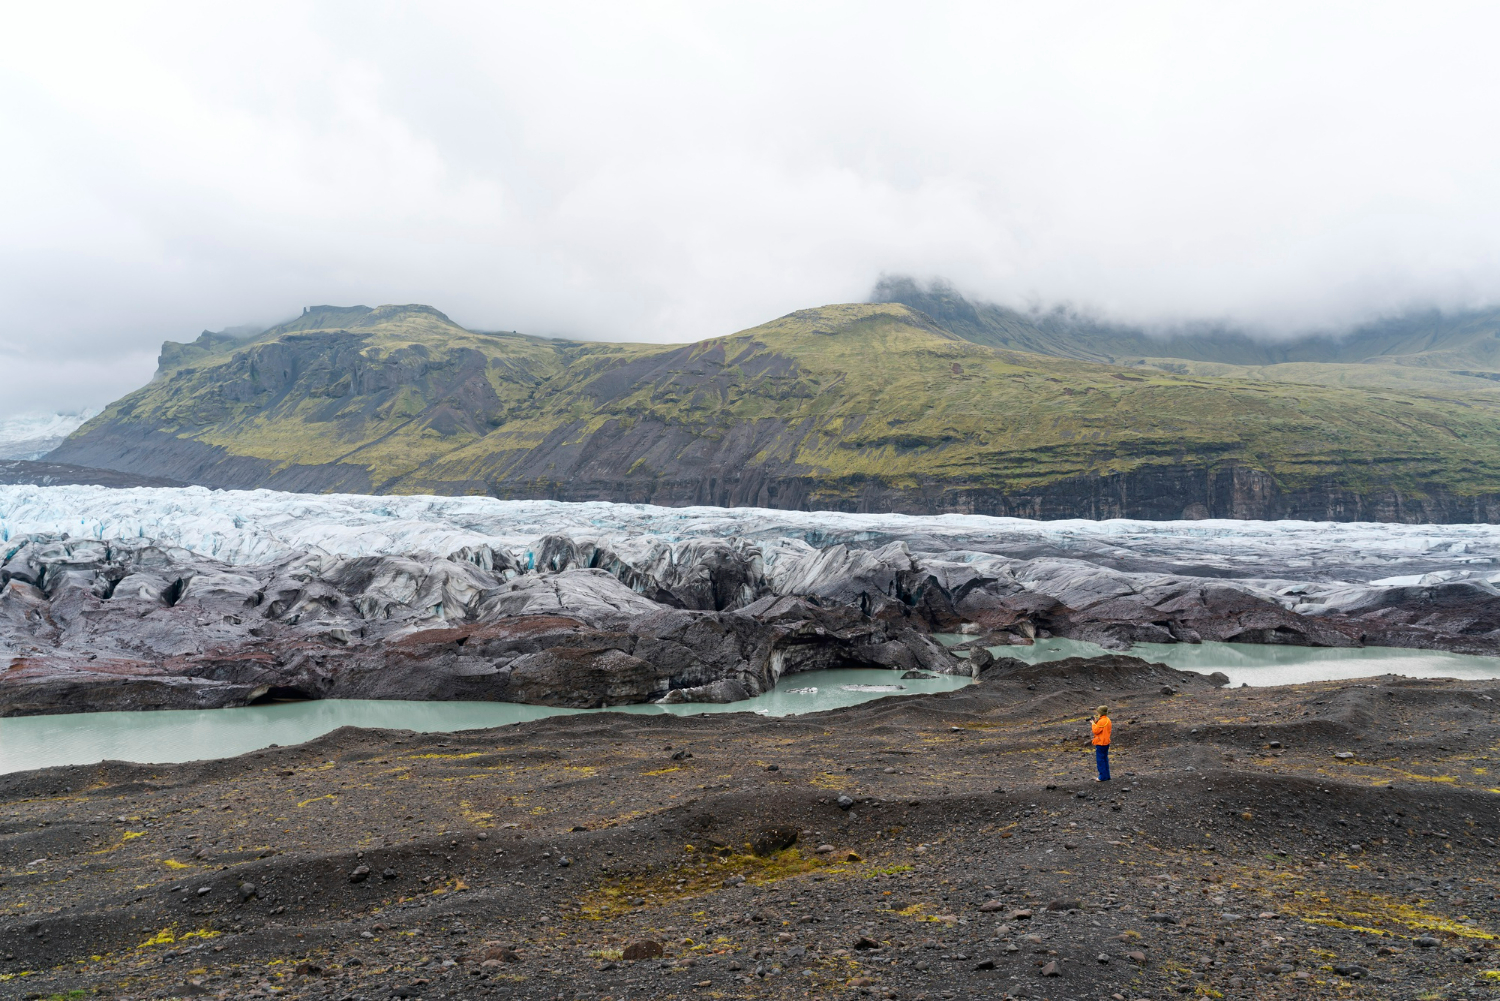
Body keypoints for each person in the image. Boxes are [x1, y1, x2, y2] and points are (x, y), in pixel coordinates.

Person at [1091, 705, 1112, 781]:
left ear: (1100, 712)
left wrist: (1093, 723)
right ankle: (1107, 775)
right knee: (1105, 759)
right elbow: (1101, 728)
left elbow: (1096, 730)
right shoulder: (1107, 720)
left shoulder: (1102, 721)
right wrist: (1096, 721)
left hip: (1101, 743)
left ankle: (1102, 777)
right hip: (1106, 742)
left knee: (1100, 760)